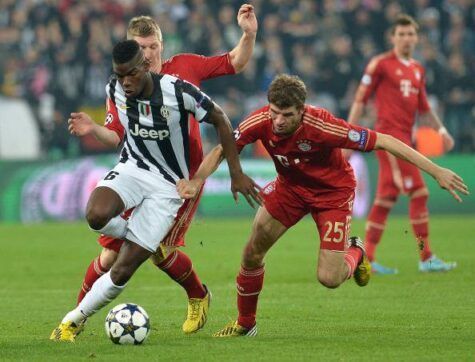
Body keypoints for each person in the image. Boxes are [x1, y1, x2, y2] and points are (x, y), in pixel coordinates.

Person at [176, 74, 467, 337]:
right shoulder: (261, 119)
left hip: (333, 193)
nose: (277, 121)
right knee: (253, 251)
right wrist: (197, 180)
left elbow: (385, 141)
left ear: (301, 111)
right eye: (274, 112)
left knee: (329, 278)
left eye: (286, 115)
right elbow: (222, 149)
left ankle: (356, 251)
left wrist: (437, 171)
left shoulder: (324, 126)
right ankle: (245, 323)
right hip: (290, 189)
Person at [50, 40, 261, 342]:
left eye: (131, 75)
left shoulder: (178, 91)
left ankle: (71, 321)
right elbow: (116, 134)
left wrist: (236, 173)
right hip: (132, 169)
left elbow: (221, 119)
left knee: (122, 269)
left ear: (146, 67)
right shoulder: (115, 89)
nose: (126, 82)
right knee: (96, 215)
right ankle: (138, 237)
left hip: (168, 187)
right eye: (120, 75)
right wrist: (93, 128)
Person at [347, 14, 456, 274]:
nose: (407, 38)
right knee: (419, 192)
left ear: (417, 38)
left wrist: (442, 130)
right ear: (392, 37)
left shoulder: (418, 69)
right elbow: (360, 101)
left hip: (408, 139)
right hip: (389, 140)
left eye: (411, 34)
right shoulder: (381, 64)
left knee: (386, 197)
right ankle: (426, 256)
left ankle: (368, 259)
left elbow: (424, 107)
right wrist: (348, 135)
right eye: (402, 34)